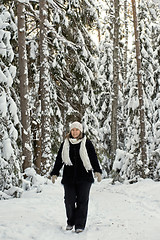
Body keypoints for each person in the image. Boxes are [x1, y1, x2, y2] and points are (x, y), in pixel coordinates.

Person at [50, 121, 102, 233]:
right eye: (73, 130)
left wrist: (97, 171)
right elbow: (59, 159)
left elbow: (93, 157)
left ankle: (80, 225)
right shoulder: (65, 144)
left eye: (77, 130)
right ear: (70, 131)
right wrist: (55, 172)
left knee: (82, 201)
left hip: (84, 177)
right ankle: (70, 221)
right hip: (69, 177)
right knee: (69, 200)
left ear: (80, 131)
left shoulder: (87, 143)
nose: (74, 132)